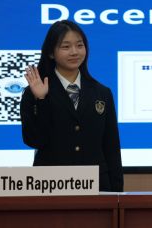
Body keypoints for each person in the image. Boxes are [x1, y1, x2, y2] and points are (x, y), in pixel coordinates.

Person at [20, 20, 123, 192]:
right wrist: (42, 100)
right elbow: (34, 140)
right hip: (50, 185)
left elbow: (111, 147)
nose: (74, 52)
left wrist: (117, 194)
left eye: (79, 45)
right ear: (51, 53)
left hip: (97, 185)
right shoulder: (35, 91)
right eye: (66, 47)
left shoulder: (102, 93)